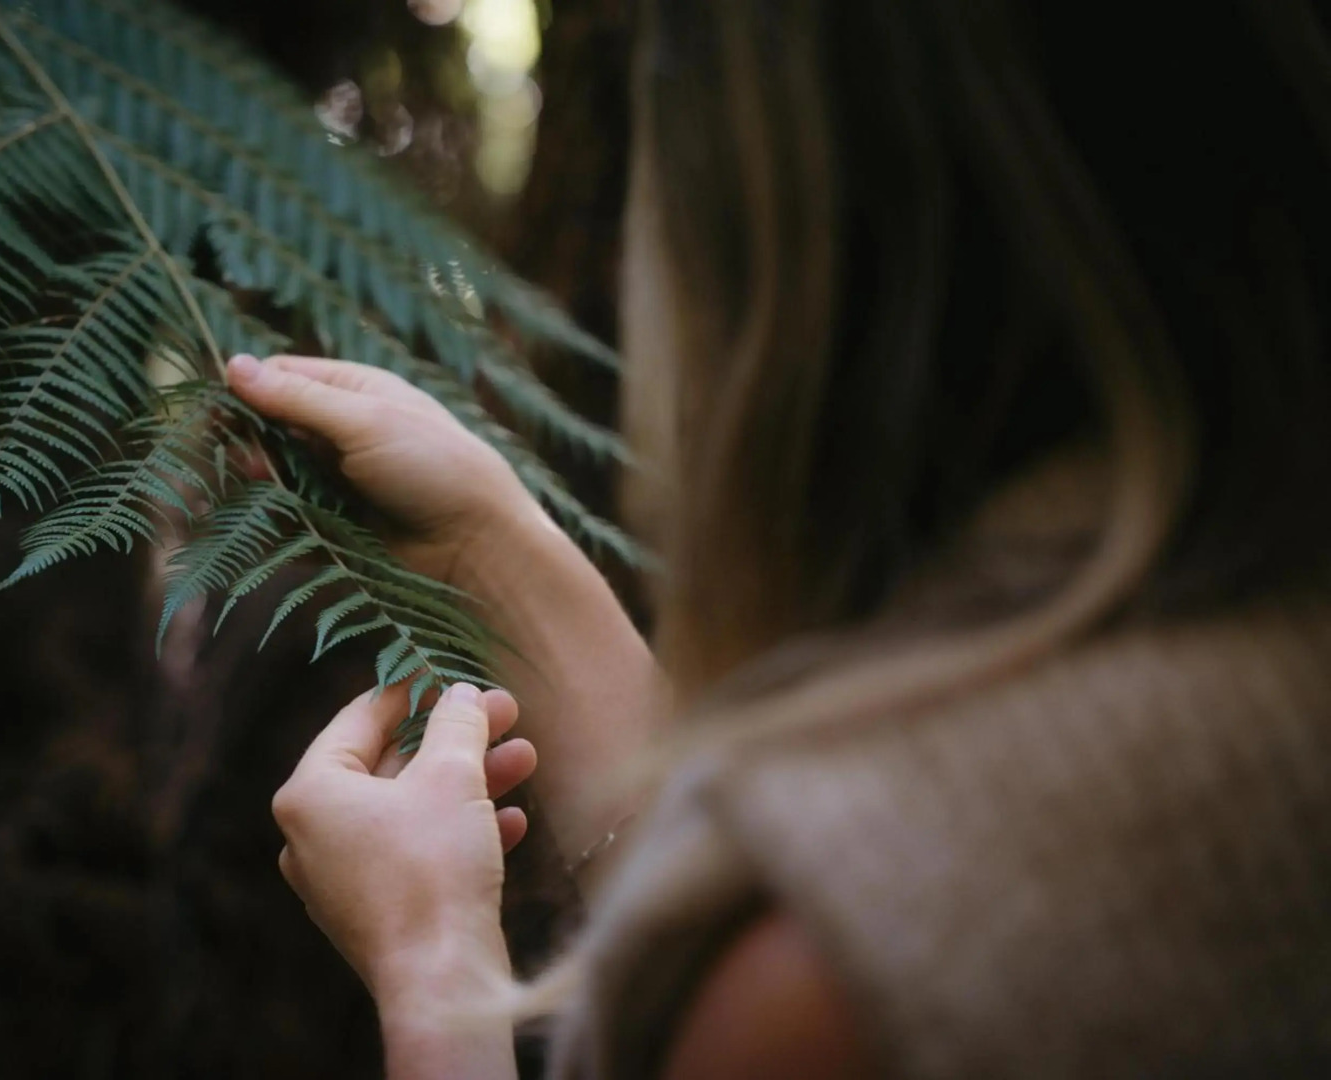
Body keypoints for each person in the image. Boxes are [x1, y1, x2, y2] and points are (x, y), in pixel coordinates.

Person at [226, 1, 1331, 1076]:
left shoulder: (818, 992)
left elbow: (854, 897)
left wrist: (436, 979)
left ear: (775, 248)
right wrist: (490, 552)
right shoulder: (1257, 675)